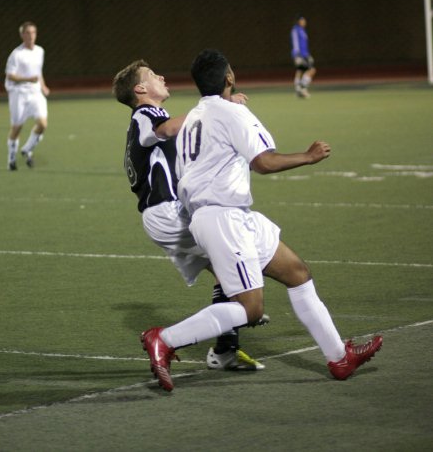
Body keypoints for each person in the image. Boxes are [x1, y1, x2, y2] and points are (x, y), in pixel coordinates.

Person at [140, 49, 382, 391]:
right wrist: (308, 157)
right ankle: (164, 339)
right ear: (228, 78)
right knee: (250, 309)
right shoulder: (232, 112)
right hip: (223, 218)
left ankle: (339, 357)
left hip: (228, 215)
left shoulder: (195, 116)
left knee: (297, 273)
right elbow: (263, 162)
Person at [112, 59, 267, 371]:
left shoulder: (151, 118)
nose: (162, 75)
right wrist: (216, 107)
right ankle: (204, 332)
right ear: (140, 89)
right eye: (153, 75)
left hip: (166, 213)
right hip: (167, 213)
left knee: (229, 270)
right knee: (238, 262)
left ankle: (226, 346)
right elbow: (168, 129)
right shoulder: (146, 113)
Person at [5, 21, 50, 170]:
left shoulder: (40, 51)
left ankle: (27, 149)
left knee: (42, 124)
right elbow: (10, 76)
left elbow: (38, 72)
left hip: (35, 93)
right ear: (22, 35)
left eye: (33, 32)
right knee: (17, 127)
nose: (30, 35)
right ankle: (11, 158)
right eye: (27, 33)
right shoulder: (16, 54)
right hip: (19, 94)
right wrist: (28, 79)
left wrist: (43, 86)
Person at [290, 14, 316, 98]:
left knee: (300, 71)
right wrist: (296, 55)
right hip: (300, 55)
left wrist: (308, 55)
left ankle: (298, 89)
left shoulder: (302, 30)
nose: (304, 22)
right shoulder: (296, 30)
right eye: (302, 20)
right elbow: (295, 43)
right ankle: (302, 87)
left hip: (305, 55)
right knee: (311, 70)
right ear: (299, 21)